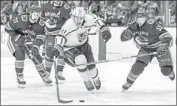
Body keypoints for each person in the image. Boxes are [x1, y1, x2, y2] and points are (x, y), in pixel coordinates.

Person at [54, 7, 111, 91]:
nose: (79, 20)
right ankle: (87, 80)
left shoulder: (89, 19)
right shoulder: (68, 25)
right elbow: (60, 37)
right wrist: (57, 48)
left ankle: (95, 78)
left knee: (92, 68)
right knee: (81, 60)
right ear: (73, 16)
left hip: (84, 45)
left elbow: (98, 21)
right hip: (70, 48)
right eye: (77, 17)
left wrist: (105, 30)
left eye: (81, 17)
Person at [120, 8, 175, 90]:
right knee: (137, 66)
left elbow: (168, 37)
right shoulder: (133, 25)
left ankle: (170, 73)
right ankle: (128, 82)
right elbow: (122, 38)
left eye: (142, 18)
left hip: (160, 47)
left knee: (165, 70)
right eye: (138, 18)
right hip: (146, 48)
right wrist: (125, 35)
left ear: (146, 18)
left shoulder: (153, 25)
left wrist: (163, 46)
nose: (140, 20)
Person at [5, 5, 52, 88]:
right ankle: (19, 76)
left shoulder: (41, 24)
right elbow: (7, 28)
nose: (37, 16)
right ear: (30, 13)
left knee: (36, 55)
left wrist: (36, 46)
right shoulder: (19, 19)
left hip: (29, 41)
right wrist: (16, 37)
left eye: (39, 14)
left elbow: (41, 36)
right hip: (14, 40)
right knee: (20, 55)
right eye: (35, 14)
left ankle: (43, 74)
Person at [41, 0, 71, 83]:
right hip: (49, 34)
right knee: (49, 52)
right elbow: (41, 19)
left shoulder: (66, 8)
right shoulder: (45, 5)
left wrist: (57, 25)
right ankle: (47, 73)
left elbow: (69, 23)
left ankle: (59, 72)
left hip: (61, 34)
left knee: (62, 52)